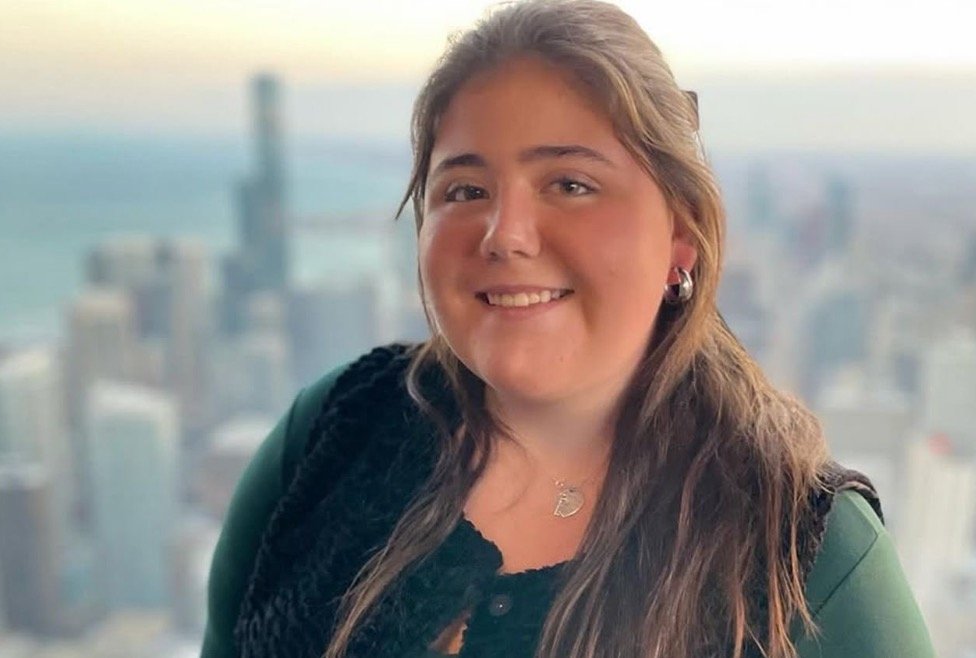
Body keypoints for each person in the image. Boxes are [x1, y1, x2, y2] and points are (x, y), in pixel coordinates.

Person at [201, 1, 936, 657]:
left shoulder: (805, 554)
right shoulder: (330, 435)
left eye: (570, 185)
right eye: (465, 188)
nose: (505, 234)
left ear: (680, 238)